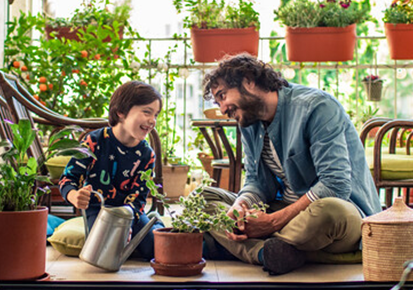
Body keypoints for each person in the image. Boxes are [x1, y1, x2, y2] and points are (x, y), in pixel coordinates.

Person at [201, 54, 382, 275]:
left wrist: (272, 223)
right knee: (203, 199)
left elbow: (335, 184)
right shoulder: (248, 122)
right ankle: (265, 252)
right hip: (288, 216)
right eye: (217, 102)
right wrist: (242, 204)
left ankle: (232, 245)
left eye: (222, 96)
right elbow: (256, 181)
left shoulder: (316, 107)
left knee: (330, 211)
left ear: (248, 80)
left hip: (338, 215)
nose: (222, 110)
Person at [59, 81, 164, 260]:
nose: (152, 120)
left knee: (153, 249)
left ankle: (155, 223)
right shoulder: (94, 142)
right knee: (103, 251)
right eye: (147, 112)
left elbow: (138, 197)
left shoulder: (147, 155)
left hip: (131, 211)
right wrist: (74, 196)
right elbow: (68, 179)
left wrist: (126, 223)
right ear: (120, 112)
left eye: (155, 114)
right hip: (99, 210)